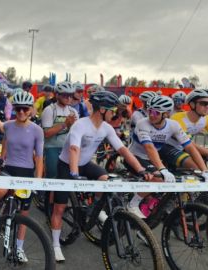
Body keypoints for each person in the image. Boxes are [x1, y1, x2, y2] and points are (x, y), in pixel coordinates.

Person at [51, 91, 150, 262]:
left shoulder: (106, 128)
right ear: (103, 109)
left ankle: (95, 209)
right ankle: (55, 245)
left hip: (85, 164)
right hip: (67, 165)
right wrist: (74, 174)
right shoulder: (80, 125)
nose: (115, 113)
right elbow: (74, 149)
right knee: (59, 208)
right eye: (112, 109)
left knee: (105, 180)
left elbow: (123, 150)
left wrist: (141, 169)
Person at [0, 91, 43, 263]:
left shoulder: (37, 130)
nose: (21, 112)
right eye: (18, 109)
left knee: (24, 213)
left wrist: (38, 179)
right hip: (9, 168)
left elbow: (39, 157)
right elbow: (6, 141)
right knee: (2, 189)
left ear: (30, 110)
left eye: (24, 109)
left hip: (27, 171)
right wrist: (2, 157)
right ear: (14, 109)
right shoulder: (7, 125)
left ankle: (20, 248)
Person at [127, 94, 208, 218]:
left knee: (177, 178)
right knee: (159, 178)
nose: (151, 115)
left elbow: (190, 147)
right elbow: (149, 148)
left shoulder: (173, 125)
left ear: (165, 114)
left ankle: (155, 203)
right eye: (149, 111)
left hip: (152, 158)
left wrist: (204, 170)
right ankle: (133, 204)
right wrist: (162, 169)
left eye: (155, 113)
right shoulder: (142, 123)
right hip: (135, 157)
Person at [41, 81, 78, 181]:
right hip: (52, 148)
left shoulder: (73, 111)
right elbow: (46, 133)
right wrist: (65, 124)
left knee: (67, 178)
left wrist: (71, 126)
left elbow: (76, 133)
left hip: (67, 149)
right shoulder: (49, 110)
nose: (69, 98)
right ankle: (47, 196)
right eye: (65, 95)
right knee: (52, 178)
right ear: (57, 95)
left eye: (71, 95)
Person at [170, 89, 208, 158]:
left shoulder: (206, 118)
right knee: (196, 166)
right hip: (170, 147)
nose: (207, 107)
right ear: (192, 104)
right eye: (203, 103)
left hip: (186, 147)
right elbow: (188, 143)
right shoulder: (177, 118)